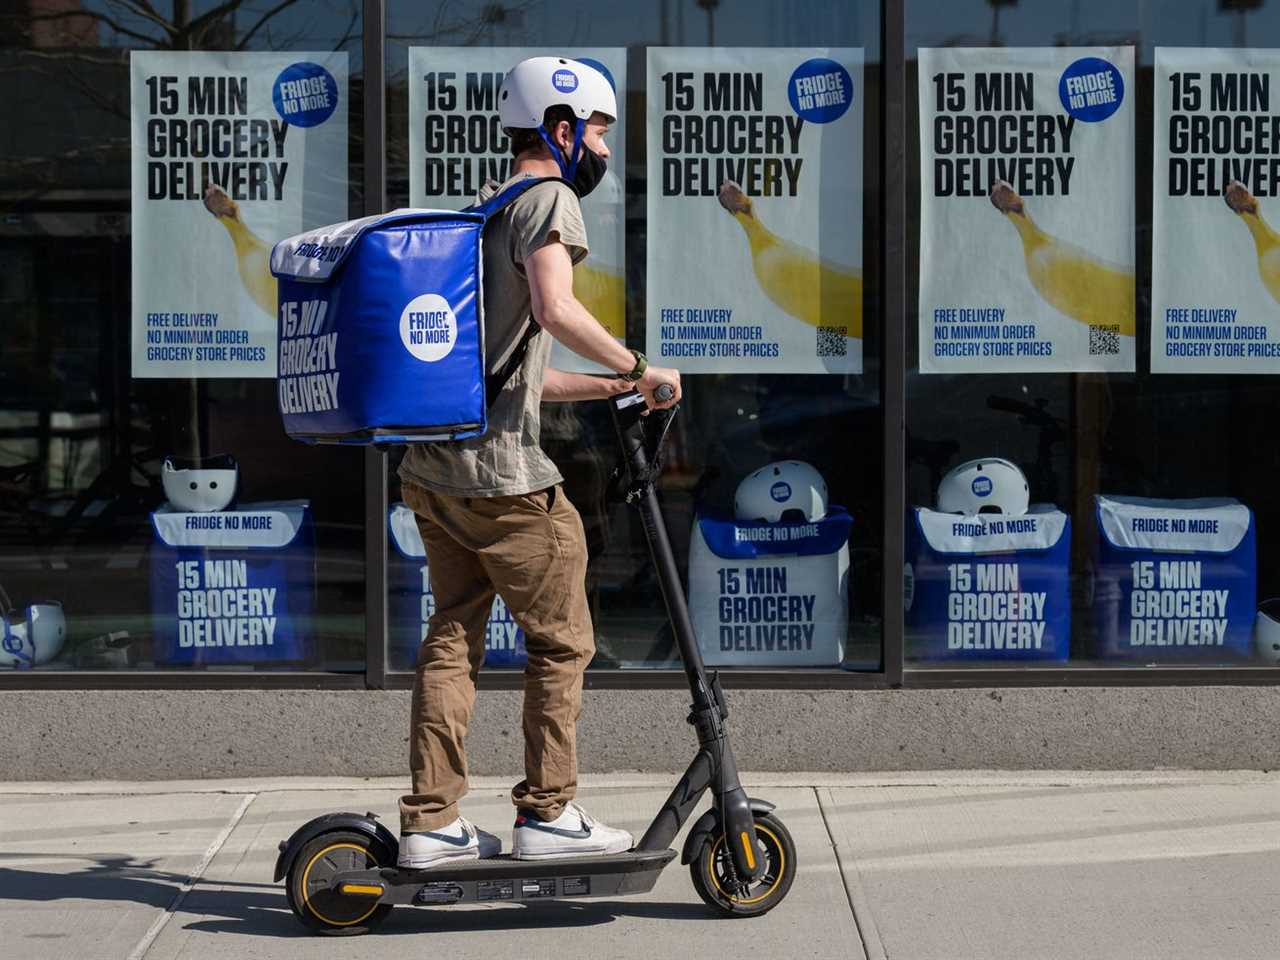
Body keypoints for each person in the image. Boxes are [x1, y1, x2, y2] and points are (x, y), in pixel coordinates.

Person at [395, 57, 682, 868]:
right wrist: (639, 367)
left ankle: (432, 823)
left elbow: (517, 371)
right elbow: (555, 308)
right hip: (507, 483)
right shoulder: (548, 200)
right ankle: (548, 812)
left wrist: (607, 389)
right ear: (559, 128)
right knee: (563, 643)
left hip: (435, 472)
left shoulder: (485, 212)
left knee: (451, 638)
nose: (599, 146)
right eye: (595, 129)